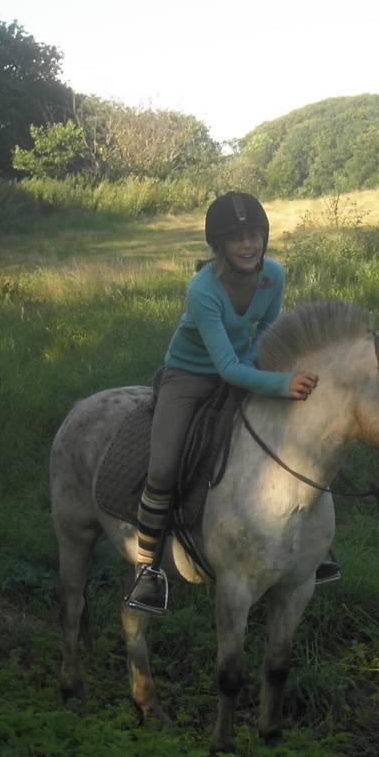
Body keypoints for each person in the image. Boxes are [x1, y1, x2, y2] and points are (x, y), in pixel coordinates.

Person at [125, 191, 340, 614]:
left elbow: (268, 330)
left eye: (255, 234)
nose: (249, 244)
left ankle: (312, 550)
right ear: (219, 245)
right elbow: (223, 368)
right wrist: (281, 384)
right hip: (189, 376)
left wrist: (263, 366)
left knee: (300, 442)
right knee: (164, 465)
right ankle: (148, 569)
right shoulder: (202, 290)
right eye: (237, 237)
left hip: (246, 365)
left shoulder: (273, 275)